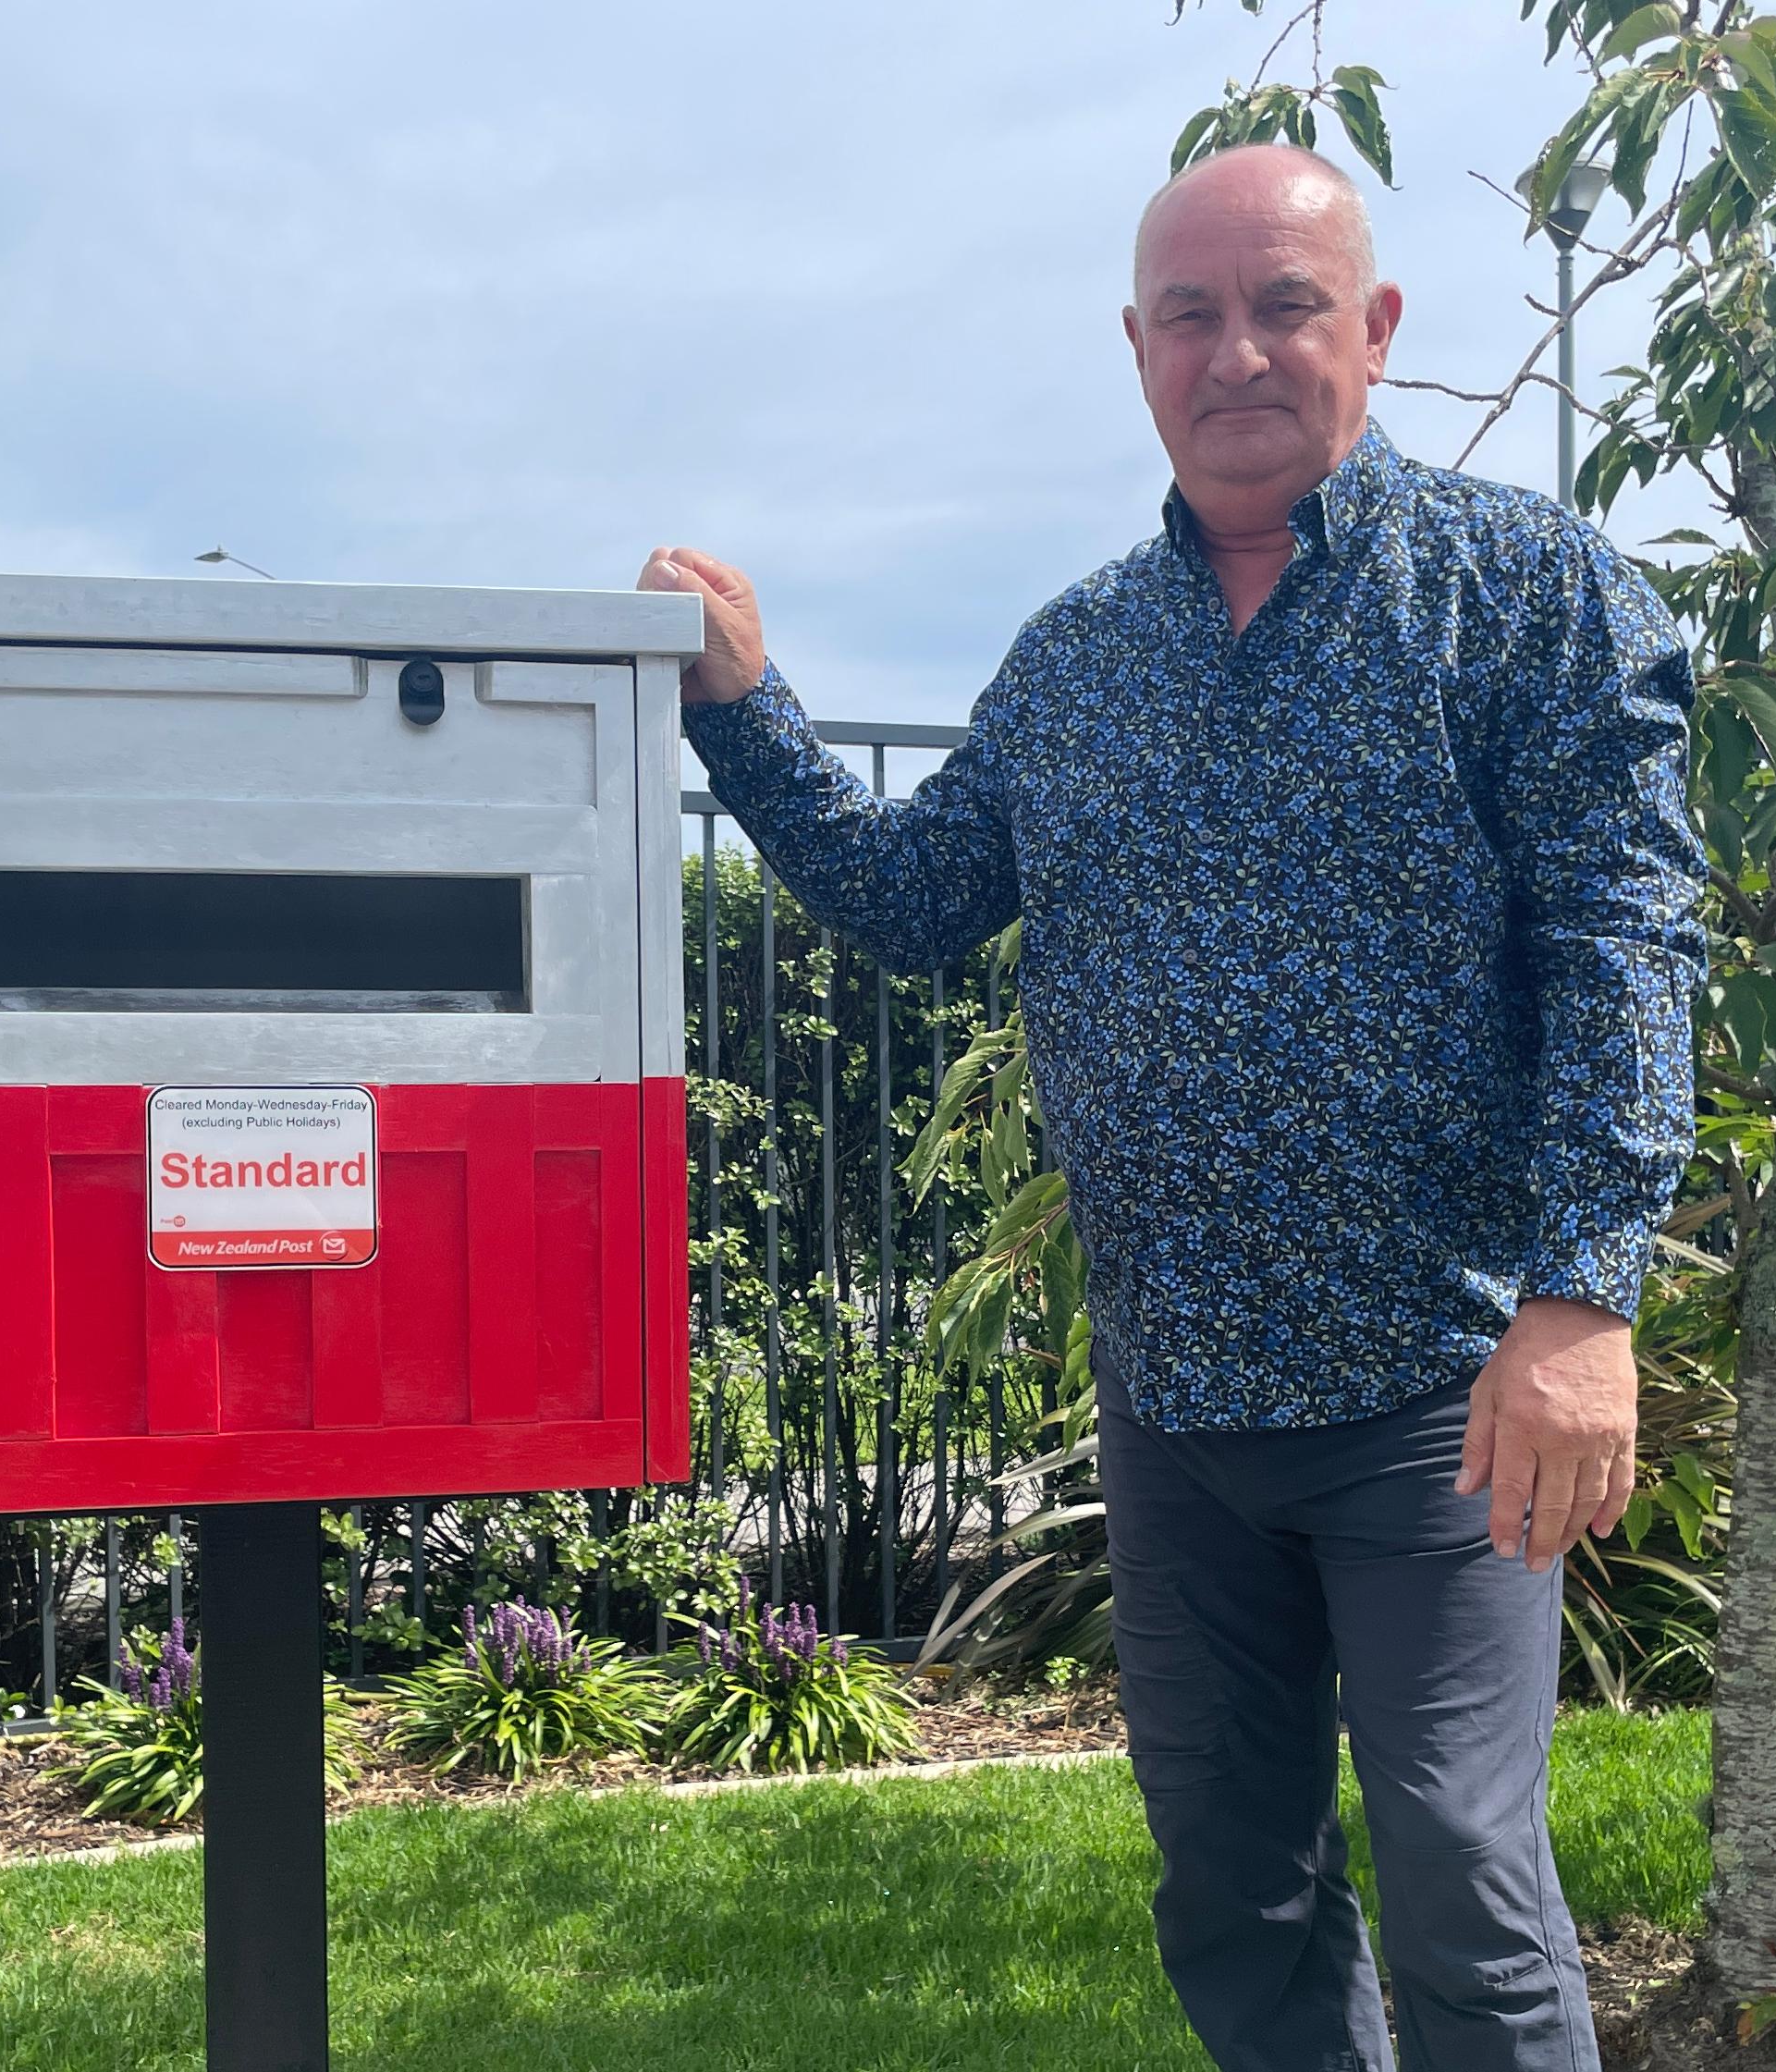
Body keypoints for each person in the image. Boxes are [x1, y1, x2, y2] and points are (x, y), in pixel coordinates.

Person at [642, 141, 1704, 2072]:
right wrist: (745, 705)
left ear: (1373, 333)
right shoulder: (1077, 661)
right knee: (1234, 1883)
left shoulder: (1535, 599)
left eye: (1287, 304)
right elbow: (910, 896)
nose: (1240, 352)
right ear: (1138, 350)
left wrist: (1585, 1294)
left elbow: (1629, 945)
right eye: (1194, 314)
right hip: (1177, 1396)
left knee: (1472, 1870)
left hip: (1441, 1398)